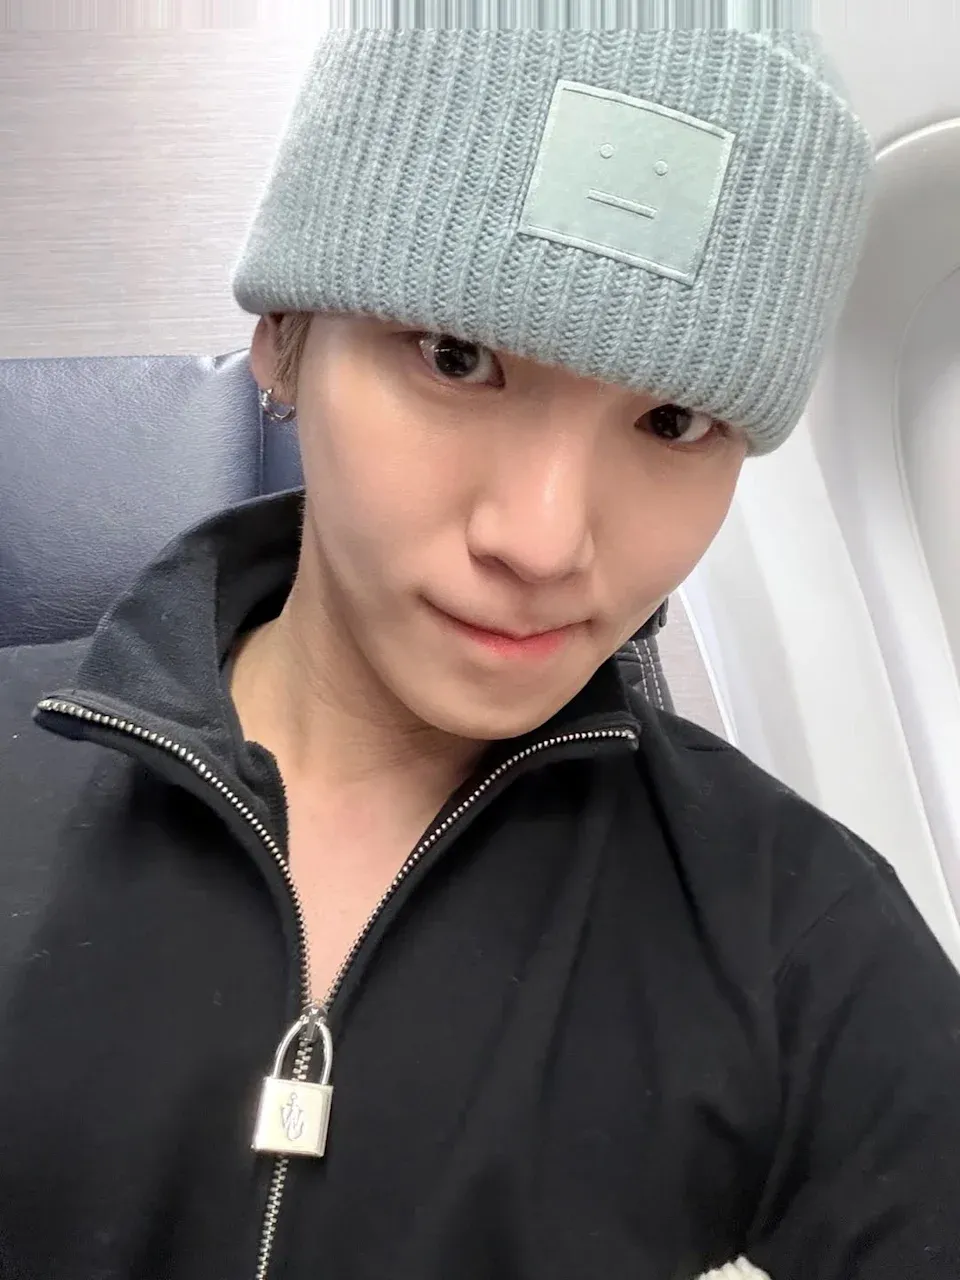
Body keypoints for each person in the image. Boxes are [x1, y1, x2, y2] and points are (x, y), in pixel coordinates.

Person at [1, 9, 959, 1280]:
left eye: (674, 420)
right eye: (457, 358)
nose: (544, 540)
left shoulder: (794, 927)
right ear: (285, 333)